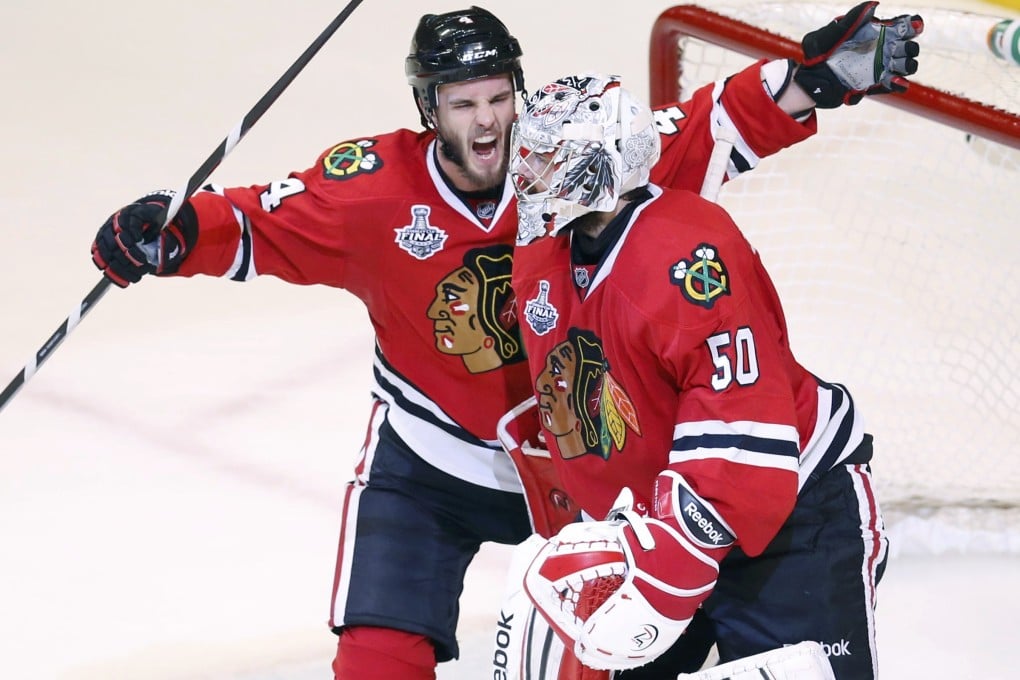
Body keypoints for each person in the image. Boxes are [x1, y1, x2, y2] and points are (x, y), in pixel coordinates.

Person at [87, 3, 920, 678]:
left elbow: (693, 128)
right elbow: (256, 223)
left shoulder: (575, 168)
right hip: (437, 455)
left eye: (498, 98)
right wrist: (170, 233)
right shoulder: (374, 192)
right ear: (429, 109)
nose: (489, 123)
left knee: (602, 647)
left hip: (593, 462)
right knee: (379, 650)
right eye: (463, 103)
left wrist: (807, 80)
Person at [504, 70, 904, 680]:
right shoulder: (539, 253)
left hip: (791, 512)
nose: (530, 174)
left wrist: (676, 557)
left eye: (552, 157)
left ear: (601, 167)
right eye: (529, 153)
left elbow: (741, 422)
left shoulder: (688, 259)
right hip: (650, 526)